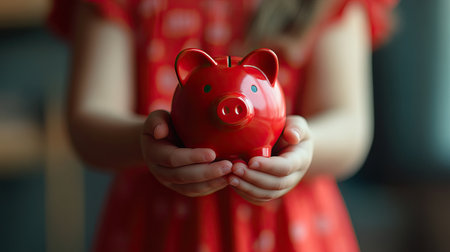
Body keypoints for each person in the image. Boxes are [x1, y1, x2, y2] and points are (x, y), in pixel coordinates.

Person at [49, 0, 397, 251]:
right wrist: (146, 142)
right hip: (157, 229)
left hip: (291, 230)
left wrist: (302, 147)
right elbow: (87, 123)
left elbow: (350, 127)